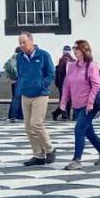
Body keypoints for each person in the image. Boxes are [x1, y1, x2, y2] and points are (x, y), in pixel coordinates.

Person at [60, 39, 100, 170]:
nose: (74, 50)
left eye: (77, 48)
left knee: (79, 129)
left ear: (84, 50)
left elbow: (96, 85)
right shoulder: (70, 66)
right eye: (73, 48)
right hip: (76, 104)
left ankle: (77, 160)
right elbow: (66, 85)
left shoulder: (91, 65)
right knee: (88, 131)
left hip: (88, 105)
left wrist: (90, 103)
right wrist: (64, 101)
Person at [15, 32, 58, 166]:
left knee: (36, 123)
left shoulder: (43, 55)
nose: (22, 45)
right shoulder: (20, 57)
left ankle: (50, 149)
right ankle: (38, 155)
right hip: (25, 94)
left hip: (40, 94)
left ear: (31, 41)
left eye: (24, 42)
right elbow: (20, 73)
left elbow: (51, 74)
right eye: (20, 43)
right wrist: (21, 86)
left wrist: (42, 84)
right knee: (28, 127)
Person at [52, 45, 72, 121]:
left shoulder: (65, 59)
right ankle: (65, 114)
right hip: (64, 83)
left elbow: (59, 73)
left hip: (65, 83)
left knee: (64, 99)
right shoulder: (71, 60)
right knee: (66, 99)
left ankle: (61, 113)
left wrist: (57, 82)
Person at [4, 52, 22, 122]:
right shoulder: (17, 60)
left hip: (13, 81)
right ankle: (15, 115)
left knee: (15, 98)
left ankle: (12, 115)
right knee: (17, 99)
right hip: (19, 81)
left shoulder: (9, 61)